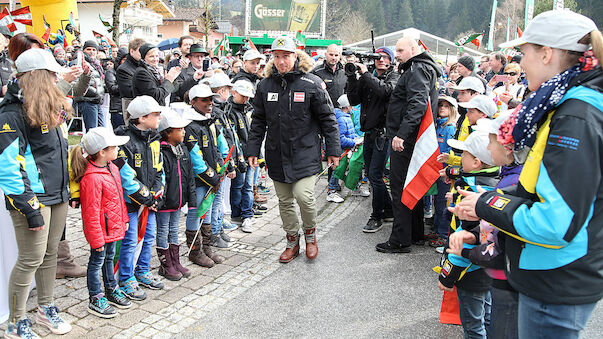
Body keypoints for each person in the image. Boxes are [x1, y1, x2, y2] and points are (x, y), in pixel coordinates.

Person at [451, 10, 603, 338]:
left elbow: (555, 222)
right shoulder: (564, 103)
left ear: (547, 54)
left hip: (555, 276)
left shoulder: (574, 116)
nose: (521, 64)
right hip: (552, 271)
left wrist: (487, 203)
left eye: (525, 53)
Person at [247, 37, 341, 263]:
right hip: (276, 153)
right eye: (276, 56)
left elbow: (328, 119)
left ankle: (310, 236)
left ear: (295, 56)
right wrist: (252, 149)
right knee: (285, 200)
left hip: (305, 152)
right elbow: (258, 120)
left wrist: (333, 150)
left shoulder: (311, 83)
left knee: (304, 196)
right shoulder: (264, 85)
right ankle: (291, 242)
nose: (281, 61)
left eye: (286, 56)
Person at [0, 48, 73, 338]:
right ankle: (16, 322)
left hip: (58, 195)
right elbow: (8, 166)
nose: (57, 79)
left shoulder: (45, 103)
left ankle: (45, 308)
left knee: (50, 255)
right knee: (30, 259)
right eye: (52, 74)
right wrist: (29, 207)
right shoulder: (10, 112)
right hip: (33, 199)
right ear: (34, 76)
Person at [378, 36, 441, 253]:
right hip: (413, 138)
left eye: (400, 50)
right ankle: (414, 234)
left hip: (407, 140)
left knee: (400, 189)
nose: (397, 54)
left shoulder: (416, 69)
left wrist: (401, 135)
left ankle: (400, 240)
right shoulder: (421, 68)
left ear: (414, 49)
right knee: (410, 186)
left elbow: (417, 104)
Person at [438, 131, 496, 339]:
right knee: (487, 317)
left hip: (470, 270)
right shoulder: (493, 185)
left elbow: (466, 237)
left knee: (473, 325)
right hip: (487, 266)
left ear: (476, 162)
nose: (460, 158)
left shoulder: (473, 195)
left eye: (464, 155)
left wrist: (448, 274)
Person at [70, 128, 132, 318]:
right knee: (97, 261)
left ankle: (111, 289)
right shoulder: (92, 178)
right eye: (114, 147)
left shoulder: (112, 168)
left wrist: (124, 220)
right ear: (102, 152)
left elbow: (118, 200)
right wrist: (96, 239)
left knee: (109, 259)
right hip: (101, 233)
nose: (118, 150)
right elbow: (91, 213)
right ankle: (95, 297)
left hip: (113, 228)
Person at [114, 95, 166, 300]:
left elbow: (159, 168)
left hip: (150, 200)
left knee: (149, 236)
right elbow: (126, 176)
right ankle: (125, 278)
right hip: (131, 202)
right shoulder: (123, 140)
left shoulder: (154, 138)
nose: (160, 118)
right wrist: (145, 196)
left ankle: (142, 270)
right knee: (131, 240)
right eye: (156, 114)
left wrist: (157, 192)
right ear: (141, 118)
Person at [346, 46, 399, 232]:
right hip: (369, 133)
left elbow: (385, 92)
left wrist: (367, 74)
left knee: (375, 175)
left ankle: (377, 216)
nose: (381, 60)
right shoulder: (368, 76)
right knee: (370, 173)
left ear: (391, 60)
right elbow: (353, 100)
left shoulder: (394, 76)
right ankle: (389, 210)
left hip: (384, 134)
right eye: (377, 57)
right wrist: (352, 76)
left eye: (385, 57)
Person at [184, 84, 227, 267]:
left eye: (211, 100)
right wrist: (212, 177)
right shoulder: (189, 125)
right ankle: (194, 251)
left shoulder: (209, 121)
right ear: (193, 102)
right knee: (196, 212)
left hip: (212, 176)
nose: (209, 103)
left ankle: (206, 247)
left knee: (207, 211)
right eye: (204, 100)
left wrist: (223, 167)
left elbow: (218, 147)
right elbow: (195, 159)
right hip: (199, 179)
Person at [156, 109, 195, 281]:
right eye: (180, 129)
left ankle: (175, 261)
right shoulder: (161, 152)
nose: (184, 132)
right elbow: (160, 178)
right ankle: (166, 265)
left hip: (178, 200)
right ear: (168, 132)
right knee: (163, 230)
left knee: (174, 230)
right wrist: (161, 199)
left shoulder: (183, 150)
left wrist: (190, 199)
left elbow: (189, 176)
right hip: (165, 202)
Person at [225, 80, 256, 232]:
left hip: (250, 154)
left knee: (248, 186)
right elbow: (232, 138)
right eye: (243, 96)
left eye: (248, 97)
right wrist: (237, 158)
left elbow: (254, 134)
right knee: (238, 185)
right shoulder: (229, 110)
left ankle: (247, 215)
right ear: (234, 92)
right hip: (238, 155)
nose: (245, 99)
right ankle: (237, 214)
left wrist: (258, 154)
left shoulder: (248, 109)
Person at [429, 96, 458, 247]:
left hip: (444, 171)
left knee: (442, 202)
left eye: (446, 106)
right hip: (435, 169)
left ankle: (442, 234)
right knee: (437, 201)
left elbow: (449, 151)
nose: (442, 108)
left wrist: (447, 170)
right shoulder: (437, 125)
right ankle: (436, 229)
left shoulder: (450, 127)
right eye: (440, 105)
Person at [326, 94, 361, 204]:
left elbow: (349, 133)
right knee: (337, 170)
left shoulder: (345, 116)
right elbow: (340, 138)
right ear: (347, 106)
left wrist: (355, 138)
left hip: (345, 148)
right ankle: (331, 191)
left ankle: (352, 186)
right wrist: (353, 142)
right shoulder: (341, 119)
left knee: (342, 169)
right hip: (341, 150)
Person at [74, 40, 105, 131]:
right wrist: (95, 93)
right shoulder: (79, 62)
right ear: (84, 50)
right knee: (92, 132)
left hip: (96, 101)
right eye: (88, 49)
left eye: (94, 49)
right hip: (87, 100)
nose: (91, 51)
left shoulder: (96, 64)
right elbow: (78, 82)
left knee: (102, 131)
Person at [116, 38, 145, 120]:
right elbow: (129, 92)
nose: (143, 54)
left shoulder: (144, 66)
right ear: (132, 51)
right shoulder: (123, 69)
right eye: (140, 51)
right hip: (133, 108)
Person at [105, 47, 128, 128]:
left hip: (129, 109)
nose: (126, 62)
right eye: (124, 60)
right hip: (118, 109)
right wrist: (127, 84)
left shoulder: (132, 71)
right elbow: (112, 88)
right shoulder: (111, 72)